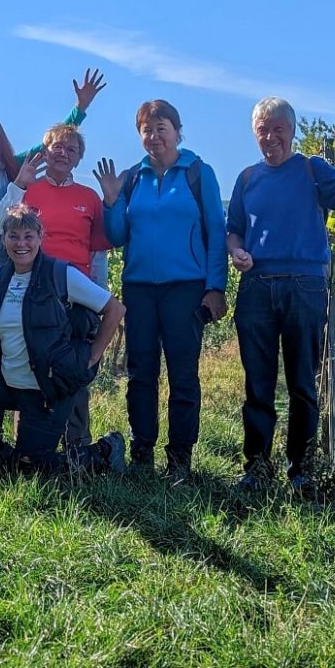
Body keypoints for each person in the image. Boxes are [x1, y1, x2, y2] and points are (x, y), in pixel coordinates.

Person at [0, 72, 105, 434]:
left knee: (7, 349)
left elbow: (54, 144)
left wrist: (79, 109)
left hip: (11, 270)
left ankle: (4, 429)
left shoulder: (13, 168)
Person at [226, 97, 335, 492]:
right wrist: (237, 251)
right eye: (264, 129)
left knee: (302, 383)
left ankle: (301, 471)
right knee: (257, 384)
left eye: (279, 128)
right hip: (257, 287)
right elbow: (234, 230)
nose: (271, 136)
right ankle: (256, 469)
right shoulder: (246, 179)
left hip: (305, 286)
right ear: (254, 133)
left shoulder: (312, 169)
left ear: (291, 131)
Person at [0, 205, 127, 474]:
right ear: (3, 240)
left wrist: (92, 357)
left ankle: (103, 452)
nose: (21, 243)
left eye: (29, 236)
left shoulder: (61, 274)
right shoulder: (2, 276)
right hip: (7, 380)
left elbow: (114, 309)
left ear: (41, 238)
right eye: (14, 236)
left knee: (30, 468)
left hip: (46, 389)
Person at [94, 99, 228, 477]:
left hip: (186, 288)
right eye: (146, 130)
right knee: (140, 374)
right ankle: (142, 455)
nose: (153, 136)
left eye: (160, 128)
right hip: (139, 290)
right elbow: (118, 235)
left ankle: (180, 459)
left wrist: (216, 286)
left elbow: (216, 233)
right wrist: (110, 199)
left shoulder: (198, 173)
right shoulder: (133, 178)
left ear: (177, 130)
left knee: (183, 375)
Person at [0, 122, 113, 445]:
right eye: (58, 146)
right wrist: (18, 185)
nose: (63, 153)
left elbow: (97, 252)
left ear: (78, 159)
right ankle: (26, 443)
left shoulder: (89, 197)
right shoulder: (29, 191)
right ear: (46, 150)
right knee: (32, 366)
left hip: (76, 294)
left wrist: (98, 295)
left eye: (71, 149)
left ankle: (77, 448)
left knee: (73, 371)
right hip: (33, 292)